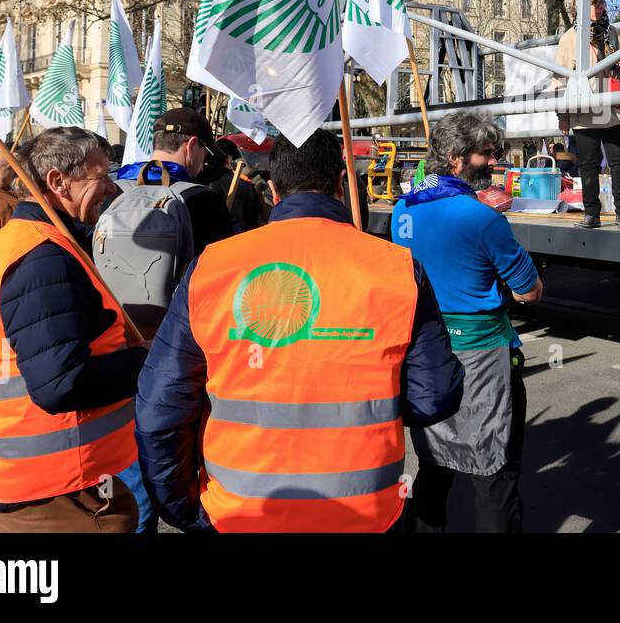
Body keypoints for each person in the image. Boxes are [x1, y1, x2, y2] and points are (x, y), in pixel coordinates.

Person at [135, 130, 464, 533]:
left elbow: (161, 408)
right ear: (342, 184)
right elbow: (435, 398)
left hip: (240, 512)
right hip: (367, 513)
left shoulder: (213, 267)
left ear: (272, 189)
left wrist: (182, 508)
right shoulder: (397, 267)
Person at [0, 128, 146, 532]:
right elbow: (62, 384)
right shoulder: (42, 257)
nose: (112, 188)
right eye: (101, 176)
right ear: (58, 181)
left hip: (17, 477)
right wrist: (149, 360)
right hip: (56, 487)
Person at [393, 112, 541, 532]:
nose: (494, 162)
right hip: (484, 359)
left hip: (426, 356)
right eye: (486, 154)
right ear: (456, 159)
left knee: (434, 465)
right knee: (495, 475)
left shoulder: (404, 207)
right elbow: (528, 291)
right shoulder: (482, 217)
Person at [553, 0, 620, 228]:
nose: (600, 7)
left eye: (601, 2)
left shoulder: (612, 32)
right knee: (588, 163)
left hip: (611, 102)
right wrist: (562, 114)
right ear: (580, 8)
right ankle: (592, 213)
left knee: (618, 160)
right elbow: (560, 77)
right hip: (585, 105)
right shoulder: (570, 37)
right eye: (594, 3)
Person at [113, 107, 237, 255]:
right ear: (191, 146)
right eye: (205, 154)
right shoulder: (204, 199)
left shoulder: (113, 191)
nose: (203, 165)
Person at [197, 139, 268, 233]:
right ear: (228, 160)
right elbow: (262, 225)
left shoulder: (194, 185)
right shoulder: (248, 187)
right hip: (244, 243)